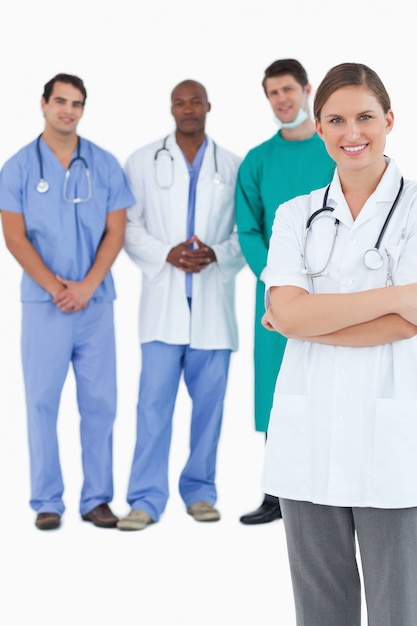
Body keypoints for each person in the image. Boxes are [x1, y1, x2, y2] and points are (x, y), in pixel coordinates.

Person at [262, 62, 417, 625]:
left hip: (393, 443)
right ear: (321, 127)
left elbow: (408, 324)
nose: (353, 132)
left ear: (389, 120)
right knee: (320, 614)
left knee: (400, 610)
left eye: (365, 117)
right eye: (337, 120)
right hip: (309, 439)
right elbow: (289, 312)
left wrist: (305, 318)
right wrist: (394, 295)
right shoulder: (295, 216)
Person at [0, 73, 135, 530]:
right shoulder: (18, 167)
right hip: (44, 306)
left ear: (83, 109)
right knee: (41, 402)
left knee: (100, 403)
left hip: (95, 305)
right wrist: (57, 288)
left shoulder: (104, 164)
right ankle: (47, 501)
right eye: (60, 101)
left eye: (76, 103)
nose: (68, 110)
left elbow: (116, 232)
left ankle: (96, 499)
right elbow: (14, 237)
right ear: (43, 104)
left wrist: (87, 286)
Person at [117, 79, 245, 531]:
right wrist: (166, 253)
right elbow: (127, 226)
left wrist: (216, 254)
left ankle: (200, 492)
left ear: (209, 106)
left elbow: (246, 232)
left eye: (196, 101)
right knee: (152, 407)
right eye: (180, 102)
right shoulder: (141, 161)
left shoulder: (233, 165)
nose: (188, 108)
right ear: (170, 108)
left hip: (212, 307)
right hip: (162, 307)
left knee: (210, 409)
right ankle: (145, 500)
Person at [236, 59, 334, 525]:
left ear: (307, 90)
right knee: (276, 388)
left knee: (336, 379)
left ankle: (332, 486)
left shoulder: (334, 150)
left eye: (288, 90)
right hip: (278, 293)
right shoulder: (257, 161)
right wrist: (275, 281)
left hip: (335, 288)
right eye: (273, 93)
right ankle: (277, 494)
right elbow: (248, 228)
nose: (282, 100)